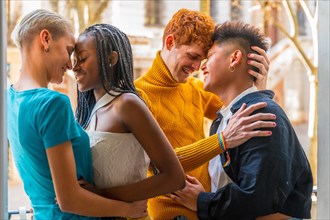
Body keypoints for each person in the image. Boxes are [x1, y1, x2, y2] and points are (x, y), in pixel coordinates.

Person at [134, 8, 275, 220]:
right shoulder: (137, 96)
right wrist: (222, 140)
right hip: (169, 213)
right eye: (192, 56)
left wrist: (257, 84)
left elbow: (242, 108)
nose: (197, 67)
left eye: (202, 60)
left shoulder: (196, 89)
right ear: (170, 42)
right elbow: (158, 165)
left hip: (205, 207)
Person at [7, 9, 147, 219]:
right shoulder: (52, 103)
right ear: (45, 39)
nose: (71, 65)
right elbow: (69, 200)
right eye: (69, 50)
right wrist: (127, 210)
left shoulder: (10, 99)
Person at [170, 21, 313, 220]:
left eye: (209, 56)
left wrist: (202, 201)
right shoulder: (223, 120)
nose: (202, 66)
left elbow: (258, 200)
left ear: (234, 58)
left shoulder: (259, 114)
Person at [73, 23, 185, 219]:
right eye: (74, 60)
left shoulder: (127, 104)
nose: (75, 67)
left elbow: (174, 178)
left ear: (111, 59)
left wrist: (102, 196)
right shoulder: (89, 113)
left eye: (82, 59)